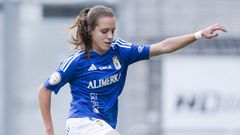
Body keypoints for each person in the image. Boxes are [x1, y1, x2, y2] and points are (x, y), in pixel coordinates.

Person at [38, 5, 227, 135]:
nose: (110, 36)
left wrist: (198, 35)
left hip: (104, 124)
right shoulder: (77, 61)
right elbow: (44, 90)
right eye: (104, 31)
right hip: (82, 122)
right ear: (90, 30)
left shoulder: (121, 51)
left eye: (113, 30)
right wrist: (49, 130)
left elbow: (163, 46)